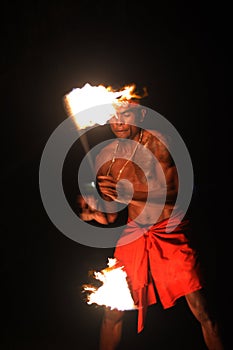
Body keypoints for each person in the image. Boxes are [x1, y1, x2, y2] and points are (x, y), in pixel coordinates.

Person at [77, 97, 224, 350]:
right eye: (113, 116)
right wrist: (94, 210)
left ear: (141, 116)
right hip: (134, 233)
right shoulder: (105, 155)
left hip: (169, 230)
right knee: (113, 309)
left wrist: (130, 196)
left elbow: (178, 194)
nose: (118, 122)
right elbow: (112, 215)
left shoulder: (160, 143)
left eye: (126, 115)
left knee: (202, 309)